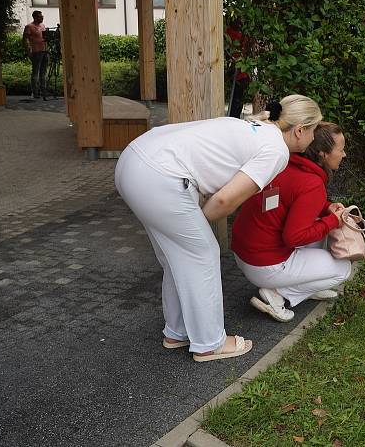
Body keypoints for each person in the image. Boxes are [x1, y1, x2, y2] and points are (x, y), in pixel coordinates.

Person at [114, 95, 322, 362]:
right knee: (203, 254)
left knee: (179, 257)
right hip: (158, 175)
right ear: (300, 130)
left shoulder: (254, 129)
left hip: (135, 161)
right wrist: (196, 223)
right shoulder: (276, 150)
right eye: (314, 130)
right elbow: (225, 201)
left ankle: (177, 332)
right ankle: (210, 343)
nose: (314, 138)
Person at [231, 122, 353, 322]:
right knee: (343, 269)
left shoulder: (284, 162)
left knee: (318, 222)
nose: (344, 154)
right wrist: (332, 221)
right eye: (341, 149)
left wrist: (325, 208)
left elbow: (292, 202)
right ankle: (281, 293)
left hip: (243, 254)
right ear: (323, 154)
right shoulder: (312, 184)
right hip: (264, 266)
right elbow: (293, 237)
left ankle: (303, 285)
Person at [23, 10, 49, 99]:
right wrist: (28, 51)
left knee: (43, 72)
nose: (41, 18)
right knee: (35, 73)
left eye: (42, 16)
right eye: (39, 16)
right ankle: (35, 92)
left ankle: (43, 91)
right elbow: (25, 40)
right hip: (36, 52)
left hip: (45, 51)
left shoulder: (43, 26)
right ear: (34, 17)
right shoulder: (29, 27)